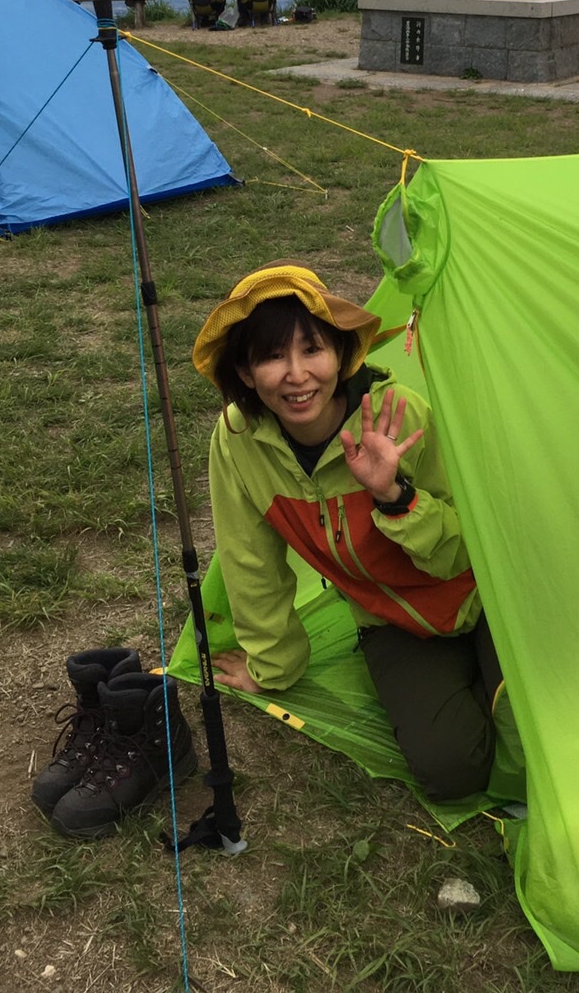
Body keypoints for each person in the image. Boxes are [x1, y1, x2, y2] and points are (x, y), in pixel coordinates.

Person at [191, 262, 520, 802]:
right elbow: (249, 561)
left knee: (540, 736)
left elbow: (467, 552)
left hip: (489, 597)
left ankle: (498, 676)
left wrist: (395, 496)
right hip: (391, 622)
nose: (297, 374)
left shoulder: (399, 415)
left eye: (312, 349)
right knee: (451, 771)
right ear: (245, 373)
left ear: (341, 354)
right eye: (272, 357)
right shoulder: (237, 442)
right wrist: (271, 667)